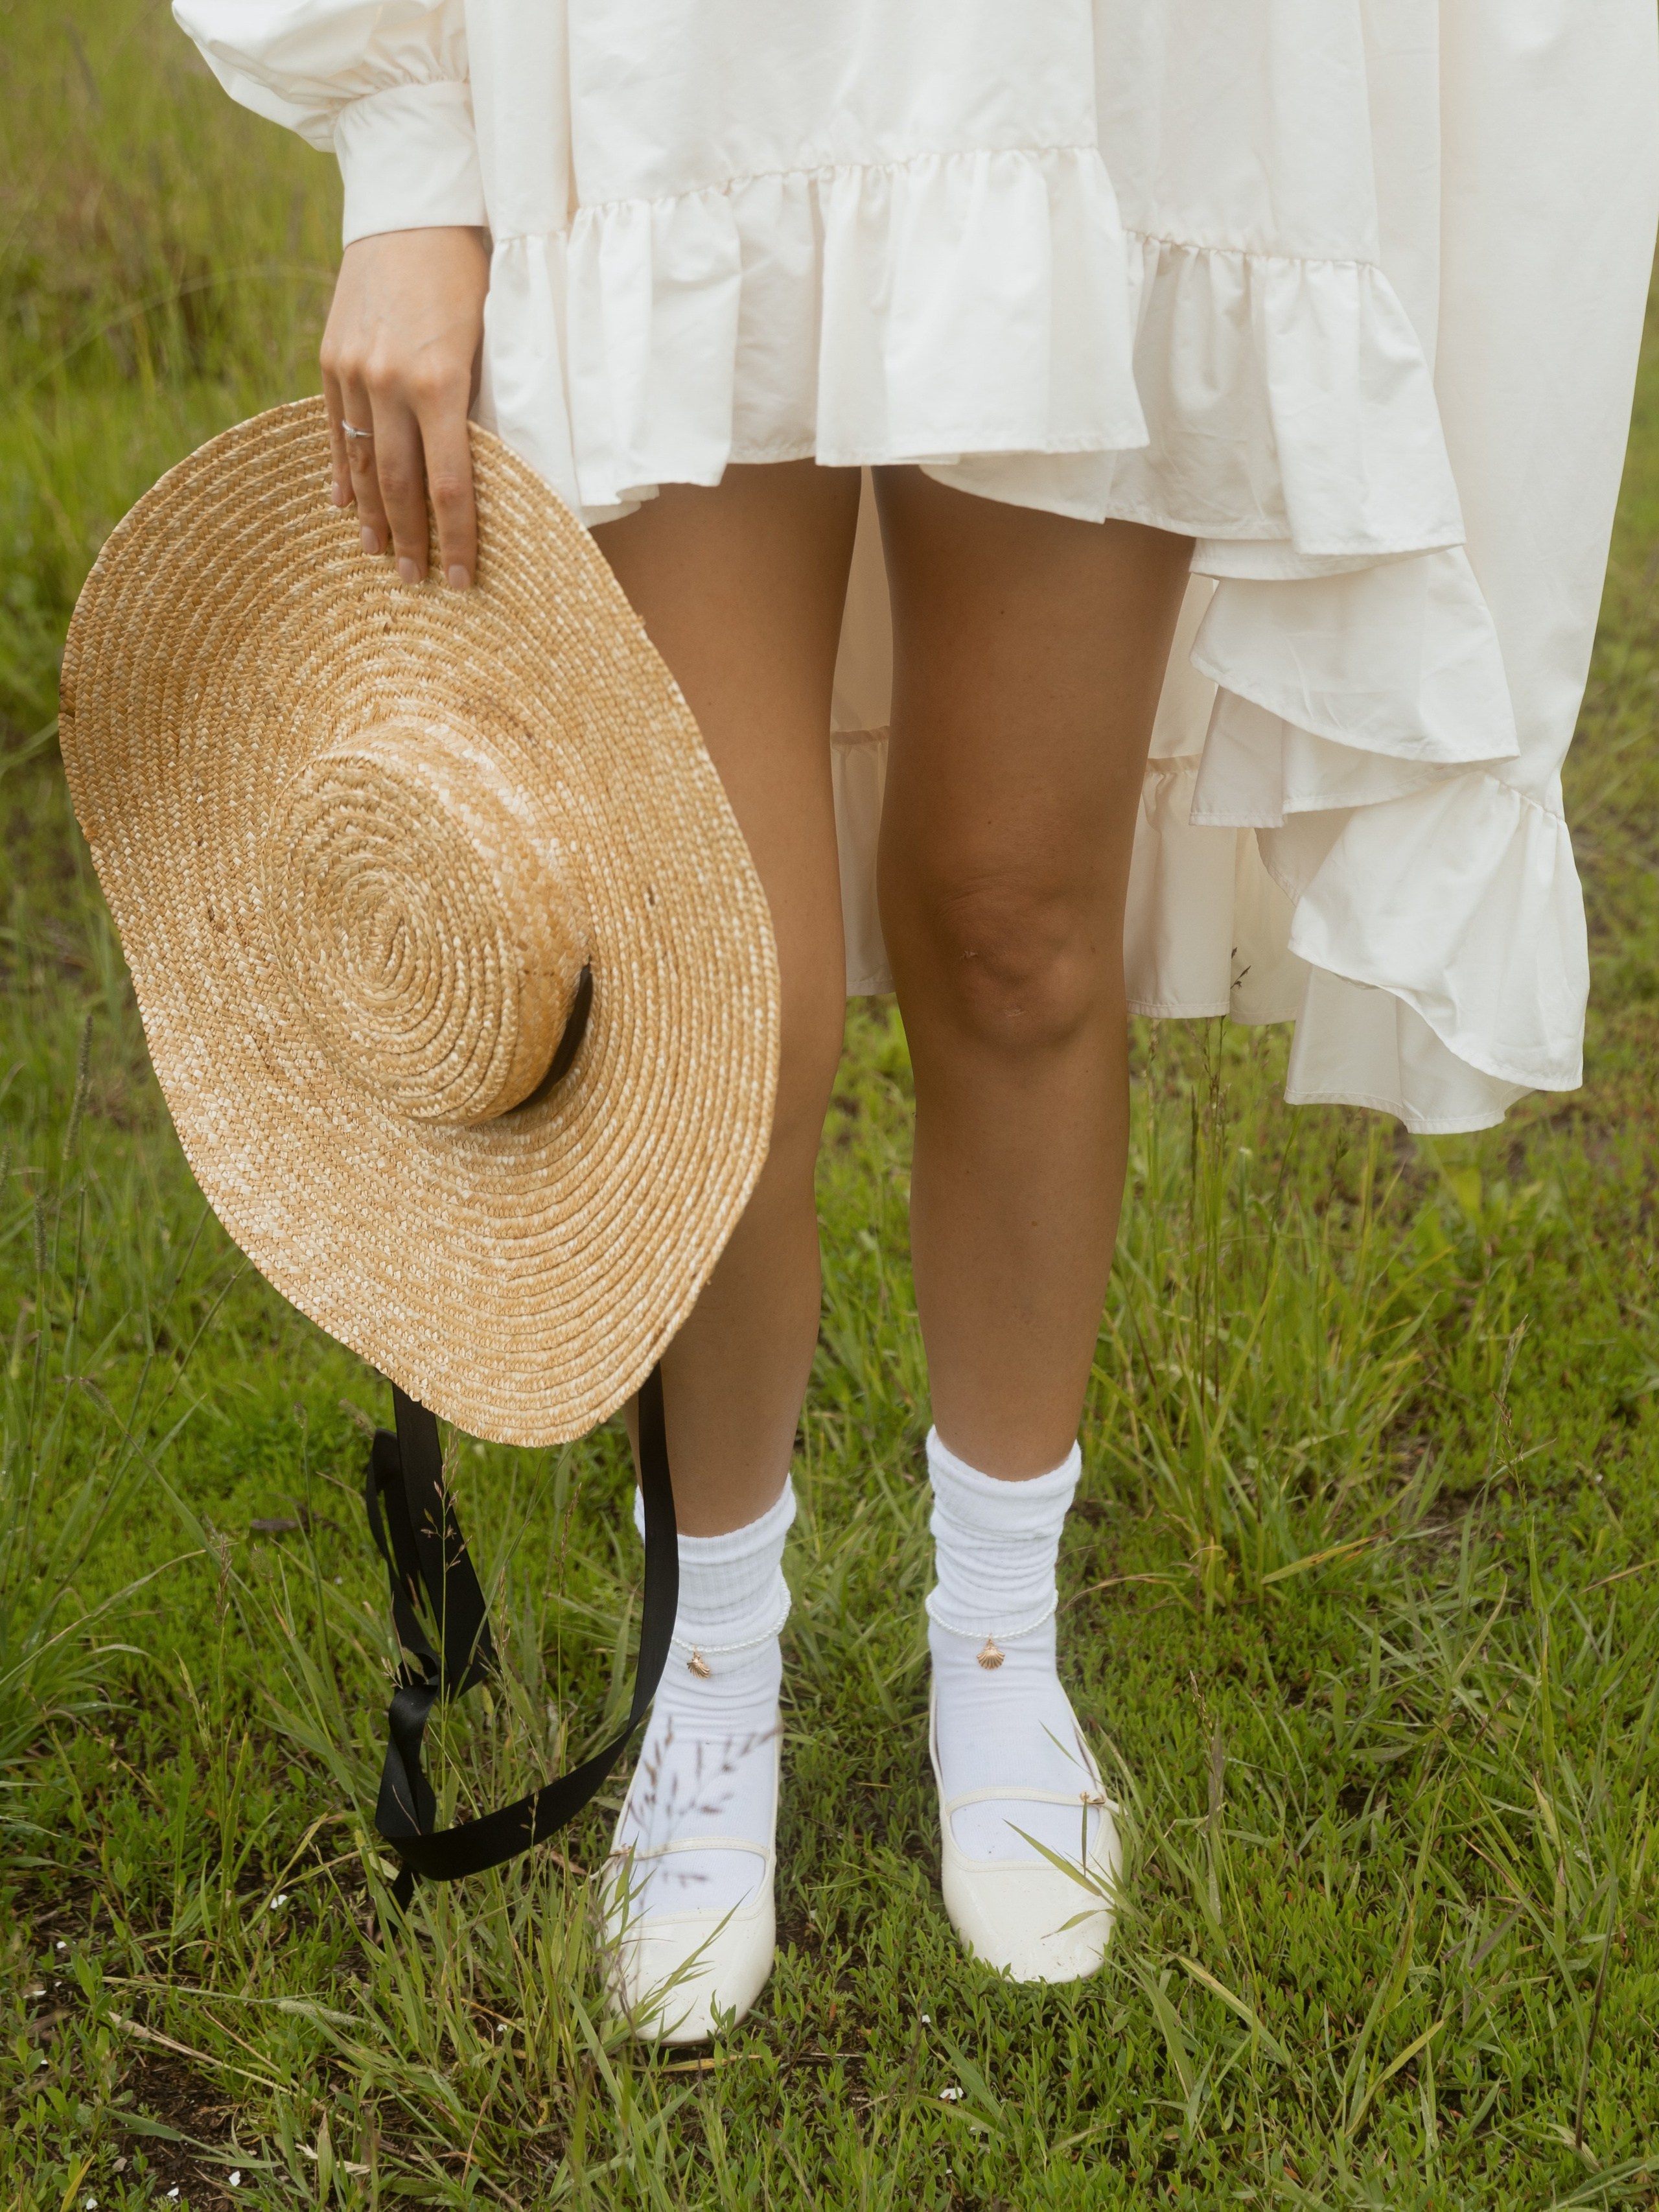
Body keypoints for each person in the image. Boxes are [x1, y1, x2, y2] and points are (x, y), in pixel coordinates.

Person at [174, 0, 1659, 2035]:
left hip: (1108, 68)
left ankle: (998, 1641)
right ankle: (718, 1674)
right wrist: (416, 163)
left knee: (1020, 925)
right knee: (726, 993)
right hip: (690, 71)